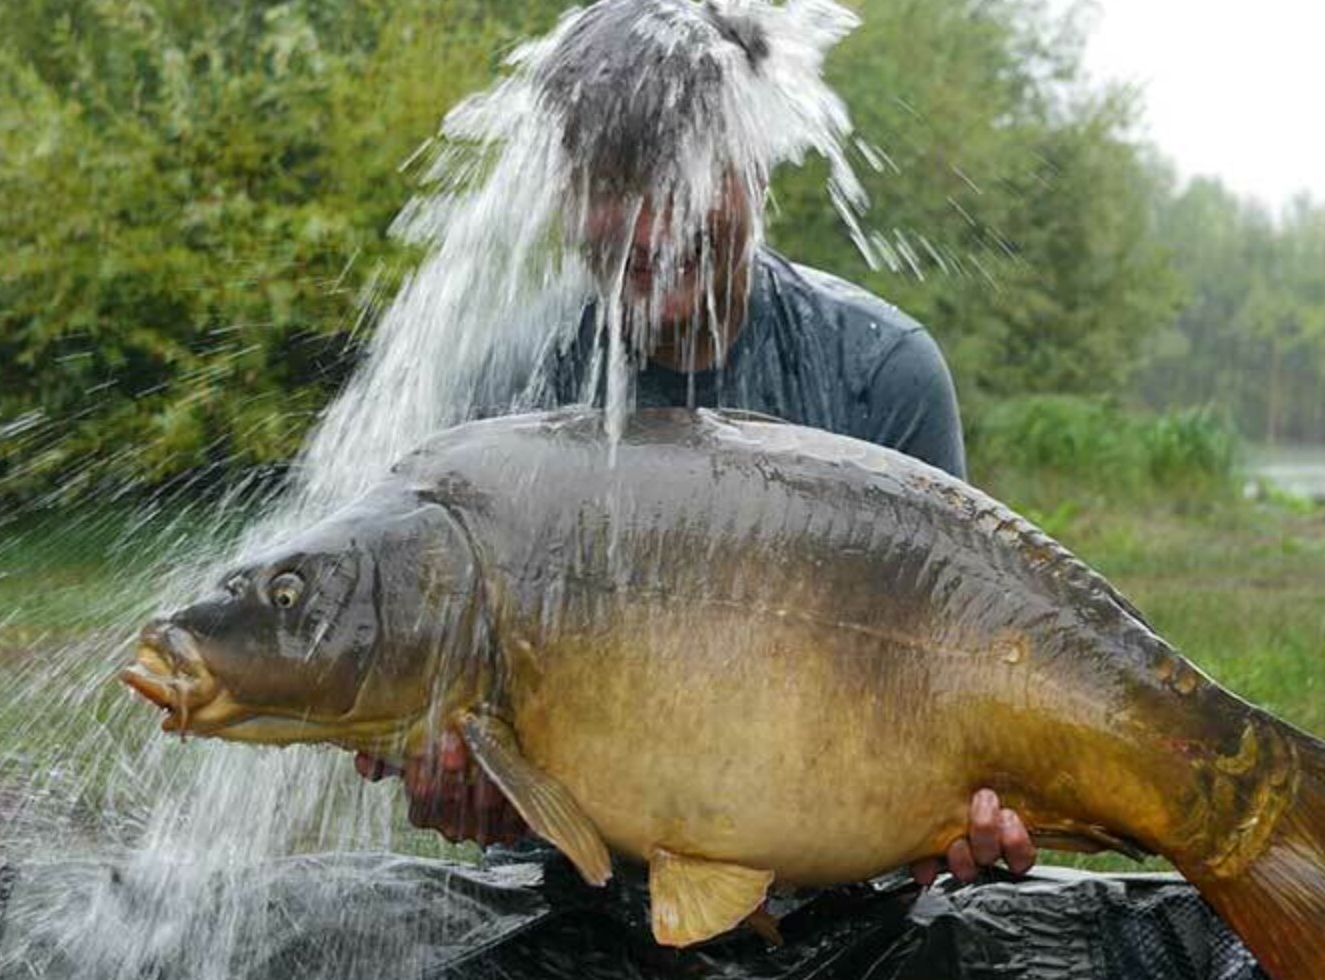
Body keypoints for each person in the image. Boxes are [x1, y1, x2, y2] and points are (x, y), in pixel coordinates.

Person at [354, 0, 1035, 891]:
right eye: (609, 187)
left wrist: (969, 818)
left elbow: (961, 687)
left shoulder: (881, 374)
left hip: (829, 904)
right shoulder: (512, 392)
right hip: (573, 900)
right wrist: (466, 783)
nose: (650, 228)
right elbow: (462, 715)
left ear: (755, 168)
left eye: (683, 176)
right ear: (560, 189)